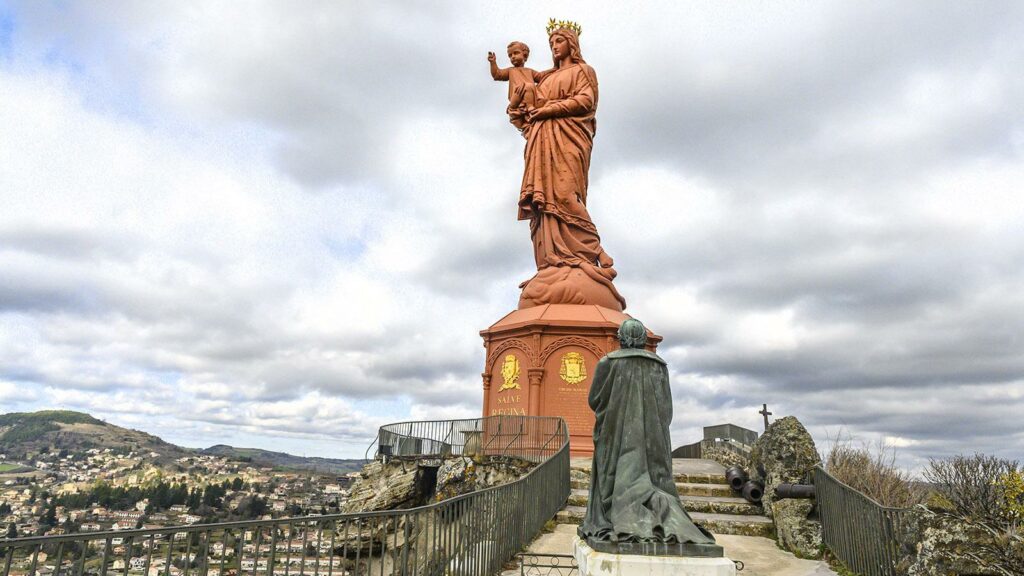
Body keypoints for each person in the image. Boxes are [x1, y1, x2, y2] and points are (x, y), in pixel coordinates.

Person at [579, 319, 722, 553]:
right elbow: (667, 407)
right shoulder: (659, 365)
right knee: (657, 480)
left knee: (613, 474)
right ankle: (661, 515)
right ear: (643, 339)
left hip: (615, 432)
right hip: (653, 435)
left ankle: (618, 517)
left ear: (621, 338)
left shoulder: (608, 362)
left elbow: (595, 399)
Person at [514, 24, 625, 310]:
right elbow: (525, 108)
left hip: (569, 138)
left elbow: (586, 101)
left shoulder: (583, 72)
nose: (554, 46)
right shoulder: (546, 77)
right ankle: (553, 261)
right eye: (551, 41)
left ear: (571, 44)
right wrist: (522, 103)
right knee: (544, 202)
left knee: (565, 194)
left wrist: (548, 109)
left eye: (559, 40)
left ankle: (595, 252)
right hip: (541, 142)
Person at [487, 41, 541, 132]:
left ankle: (530, 108)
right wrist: (493, 63)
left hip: (530, 98)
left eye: (516, 53)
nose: (513, 57)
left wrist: (555, 69)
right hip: (517, 99)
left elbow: (542, 77)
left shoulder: (530, 71)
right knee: (528, 86)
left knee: (529, 86)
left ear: (525, 55)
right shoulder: (511, 71)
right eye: (510, 55)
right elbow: (497, 74)